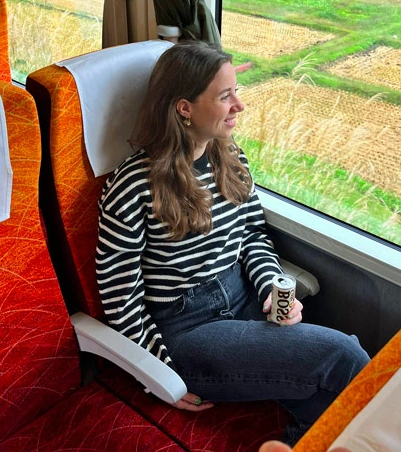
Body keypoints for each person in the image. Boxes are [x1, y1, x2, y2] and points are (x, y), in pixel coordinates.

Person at [96, 40, 370, 444]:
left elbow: (252, 236)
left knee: (327, 397)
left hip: (243, 299)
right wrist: (157, 373)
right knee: (343, 355)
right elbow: (121, 296)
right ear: (184, 108)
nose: (239, 105)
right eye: (225, 96)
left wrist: (272, 289)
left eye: (236, 91)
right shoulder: (133, 185)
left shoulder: (231, 159)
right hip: (187, 329)